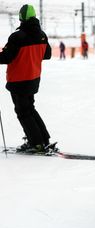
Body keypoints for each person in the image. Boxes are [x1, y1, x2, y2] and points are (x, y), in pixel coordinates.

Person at [0, 4, 52, 153]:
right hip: (33, 78)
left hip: (18, 80)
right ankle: (43, 139)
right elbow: (47, 55)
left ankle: (36, 143)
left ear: (21, 18)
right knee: (30, 109)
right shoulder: (42, 35)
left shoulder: (17, 37)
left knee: (23, 112)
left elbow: (6, 57)